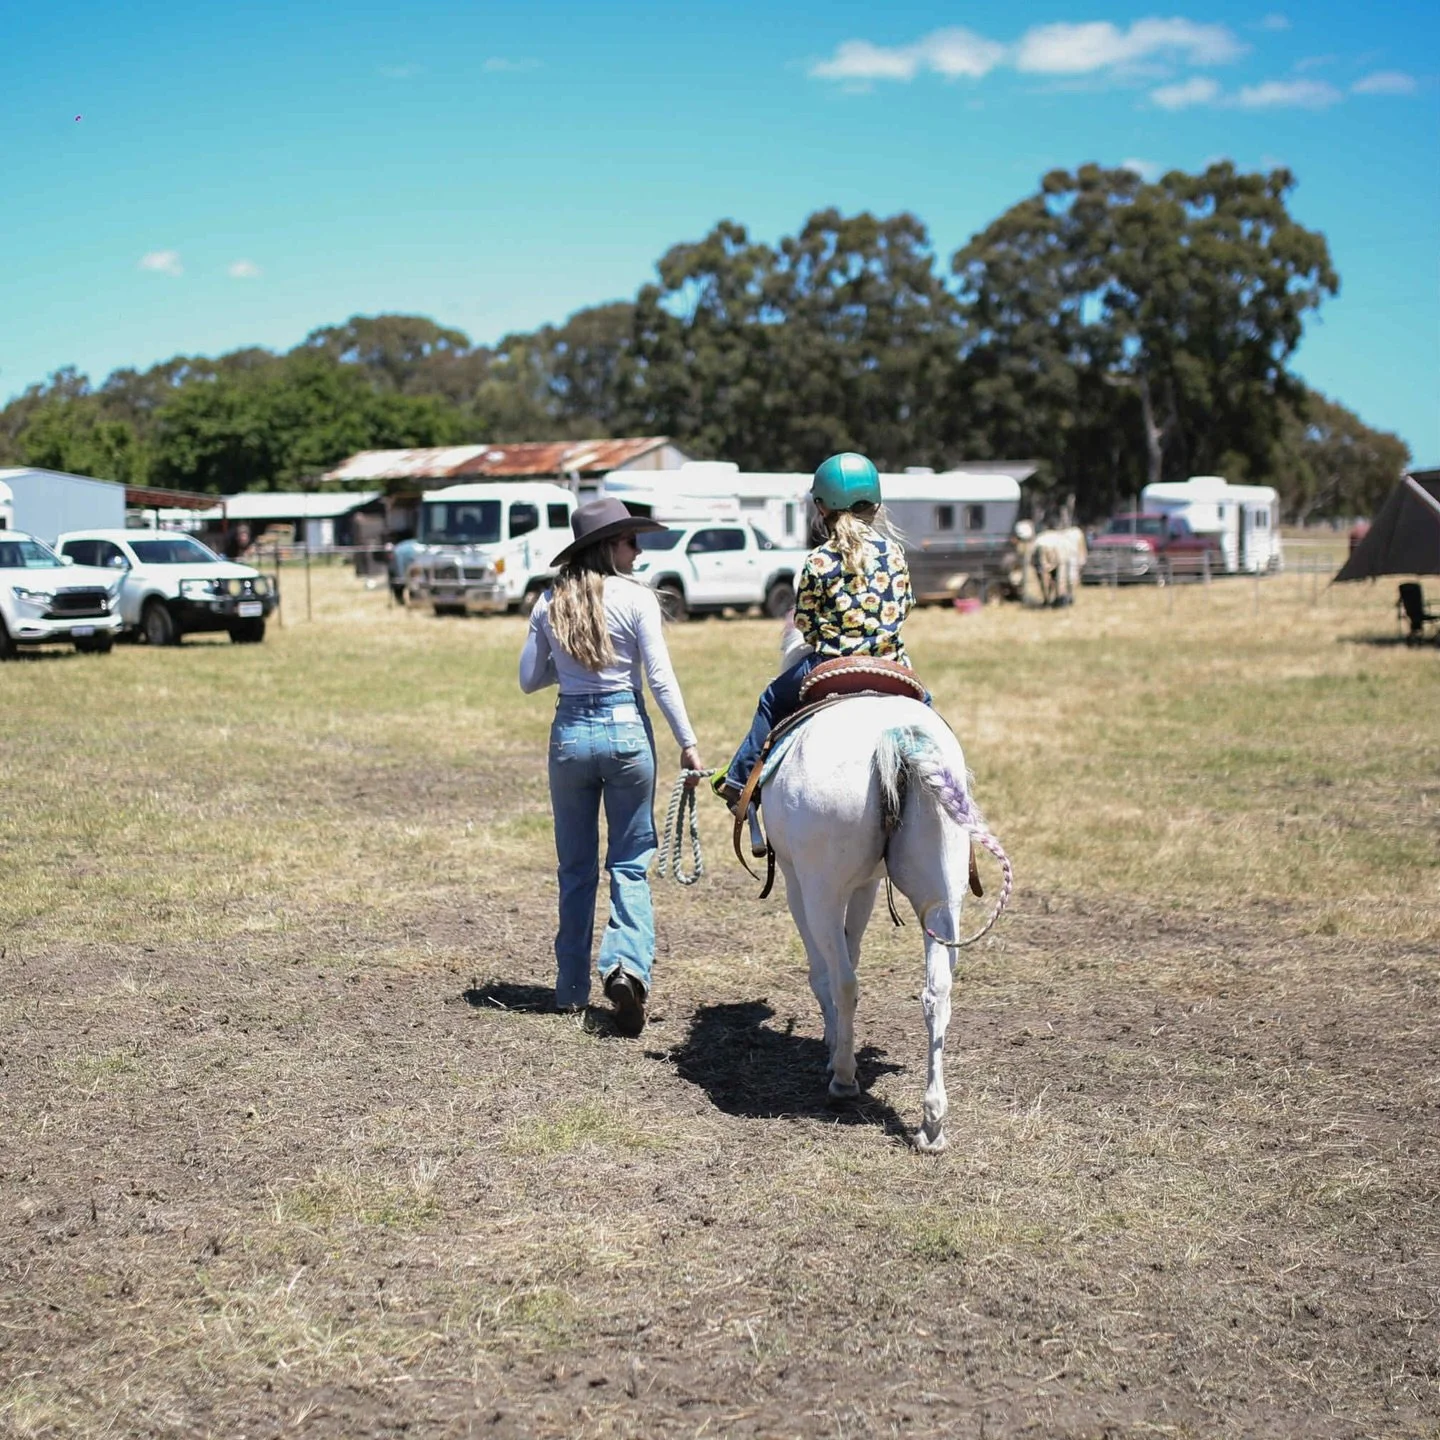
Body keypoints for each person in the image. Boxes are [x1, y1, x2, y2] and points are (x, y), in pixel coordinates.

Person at [519, 498, 704, 1035]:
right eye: (629, 541)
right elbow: (662, 679)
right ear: (608, 547)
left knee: (575, 868)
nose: (638, 549)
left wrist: (573, 668)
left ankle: (570, 987)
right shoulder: (637, 599)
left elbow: (530, 679)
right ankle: (626, 968)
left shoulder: (549, 600)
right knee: (628, 862)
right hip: (627, 733)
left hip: (570, 736)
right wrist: (688, 744)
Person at [712, 452, 918, 808]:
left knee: (771, 701)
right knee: (926, 709)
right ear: (876, 504)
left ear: (822, 507)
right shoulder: (894, 553)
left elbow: (804, 623)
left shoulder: (818, 559)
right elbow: (905, 605)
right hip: (890, 663)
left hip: (830, 666)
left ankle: (738, 781)